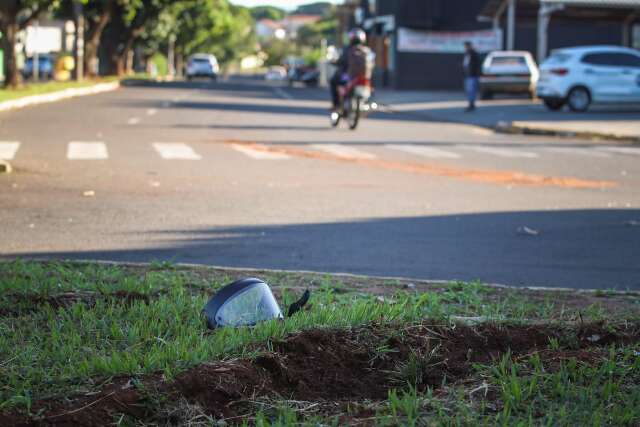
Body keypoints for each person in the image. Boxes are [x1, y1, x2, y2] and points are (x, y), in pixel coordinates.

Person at [330, 28, 369, 111]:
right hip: (363, 76)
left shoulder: (347, 49)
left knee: (333, 81)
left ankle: (336, 104)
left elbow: (340, 61)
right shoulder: (366, 50)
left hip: (347, 76)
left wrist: (334, 62)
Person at [463, 41, 481, 112]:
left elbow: (477, 64)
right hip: (468, 75)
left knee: (471, 90)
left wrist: (476, 73)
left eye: (467, 46)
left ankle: (471, 104)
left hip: (472, 75)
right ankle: (470, 104)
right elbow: (466, 64)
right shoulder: (467, 53)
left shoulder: (473, 53)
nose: (465, 47)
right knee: (469, 90)